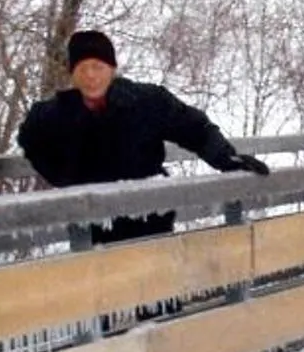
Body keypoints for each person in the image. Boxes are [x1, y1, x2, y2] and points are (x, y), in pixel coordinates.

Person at [16, 30, 270, 242]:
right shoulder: (55, 113)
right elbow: (30, 140)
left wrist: (227, 159)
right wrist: (64, 178)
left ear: (112, 68)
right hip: (94, 225)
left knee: (158, 298)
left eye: (98, 66)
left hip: (151, 219)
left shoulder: (146, 101)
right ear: (72, 73)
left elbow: (195, 129)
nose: (90, 76)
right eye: (82, 68)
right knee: (106, 299)